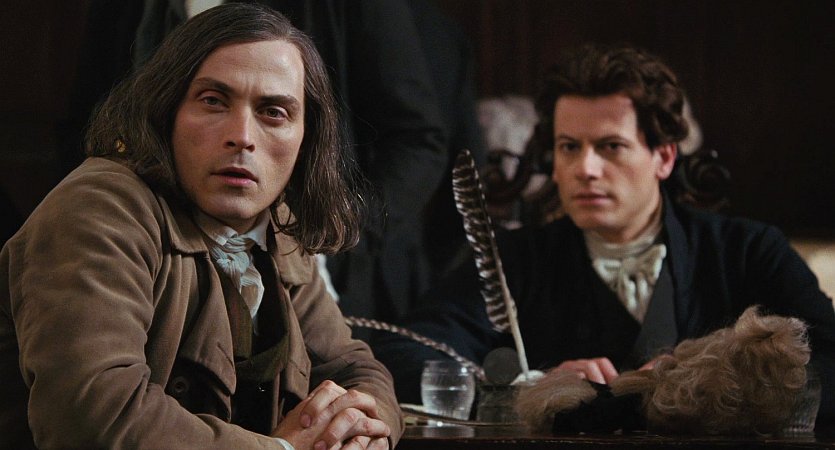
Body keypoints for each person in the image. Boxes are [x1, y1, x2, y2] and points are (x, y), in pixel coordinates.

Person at [370, 43, 835, 429]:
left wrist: (714, 382)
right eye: (569, 147)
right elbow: (400, 354)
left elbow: (828, 364)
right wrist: (526, 387)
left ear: (664, 157)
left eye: (611, 146)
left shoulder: (749, 250)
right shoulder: (515, 260)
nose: (585, 168)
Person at [0, 4, 401, 449]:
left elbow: (354, 370)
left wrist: (365, 429)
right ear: (166, 109)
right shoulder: (100, 208)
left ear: (306, 139)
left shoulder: (277, 223)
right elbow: (91, 417)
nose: (241, 136)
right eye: (213, 101)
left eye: (273, 112)